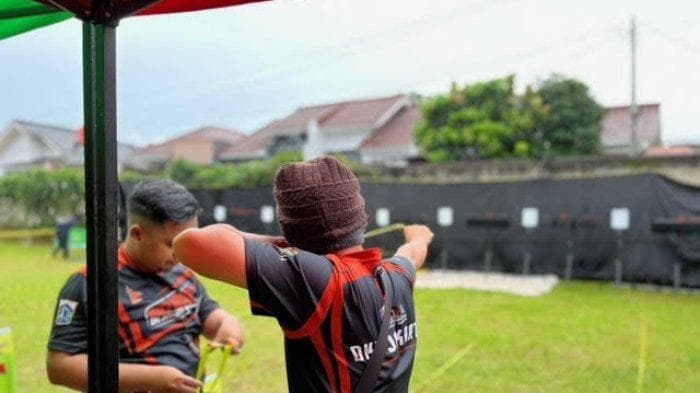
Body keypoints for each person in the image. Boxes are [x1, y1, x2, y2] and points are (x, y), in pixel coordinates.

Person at [173, 156, 434, 393]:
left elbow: (189, 243)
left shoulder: (312, 280)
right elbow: (411, 253)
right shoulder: (397, 276)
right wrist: (420, 236)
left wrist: (288, 245)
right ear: (361, 216)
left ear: (291, 228)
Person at [47, 179, 244, 393]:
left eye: (188, 244)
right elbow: (60, 367)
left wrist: (227, 326)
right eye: (171, 244)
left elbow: (211, 318)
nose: (181, 254)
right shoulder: (90, 283)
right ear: (137, 234)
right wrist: (151, 378)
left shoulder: (183, 273)